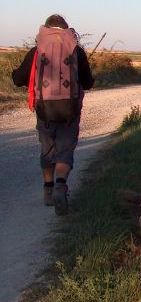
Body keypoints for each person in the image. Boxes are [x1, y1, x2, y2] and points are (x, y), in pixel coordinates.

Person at [11, 14, 94, 215]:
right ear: (66, 29)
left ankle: (48, 190)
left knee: (47, 149)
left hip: (44, 109)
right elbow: (87, 82)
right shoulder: (76, 51)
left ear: (46, 29)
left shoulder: (37, 51)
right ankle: (60, 186)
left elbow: (19, 79)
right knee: (65, 149)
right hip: (70, 110)